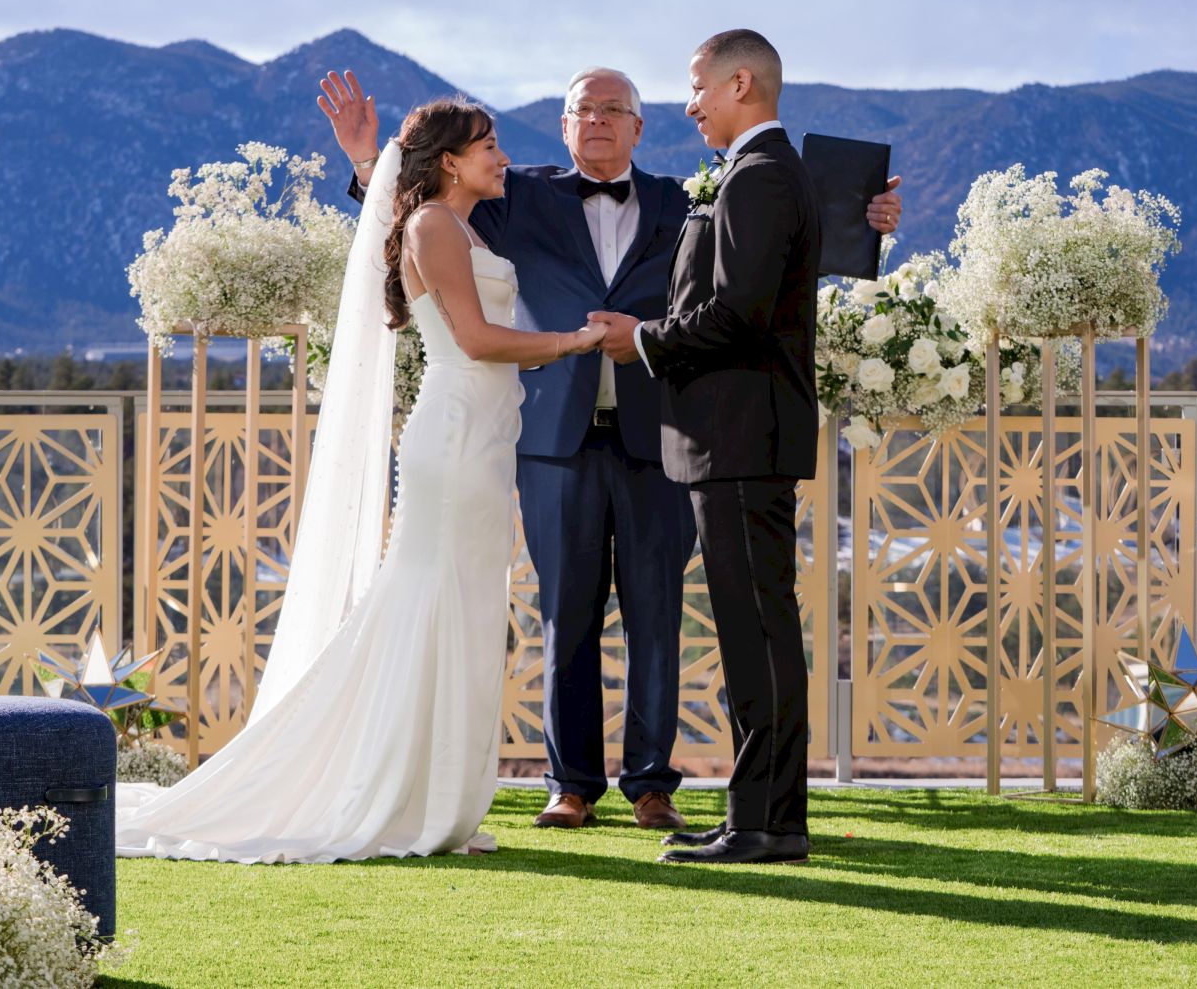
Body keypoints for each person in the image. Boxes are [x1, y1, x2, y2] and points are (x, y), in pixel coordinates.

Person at [319, 65, 900, 832]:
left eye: (612, 110)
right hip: (548, 440)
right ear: (563, 127)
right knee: (566, 614)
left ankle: (652, 783)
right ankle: (571, 782)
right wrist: (367, 163)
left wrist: (865, 220)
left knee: (658, 615)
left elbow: (762, 254)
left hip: (660, 434)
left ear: (637, 127)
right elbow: (418, 220)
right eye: (581, 110)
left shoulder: (685, 199)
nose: (596, 120)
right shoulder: (513, 195)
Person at [114, 98, 606, 863]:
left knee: (463, 605)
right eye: (489, 146)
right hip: (456, 435)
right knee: (431, 601)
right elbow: (474, 338)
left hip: (481, 435)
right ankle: (398, 791)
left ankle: (430, 793)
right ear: (450, 160)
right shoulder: (435, 226)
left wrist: (368, 157)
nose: (503, 158)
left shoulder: (457, 223)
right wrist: (572, 341)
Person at [593, 29, 825, 865]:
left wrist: (643, 340)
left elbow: (738, 313)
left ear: (739, 84)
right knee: (753, 630)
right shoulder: (761, 174)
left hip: (739, 435)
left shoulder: (761, 178)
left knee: (756, 632)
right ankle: (768, 815)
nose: (688, 104)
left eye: (696, 88)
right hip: (735, 437)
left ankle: (763, 823)